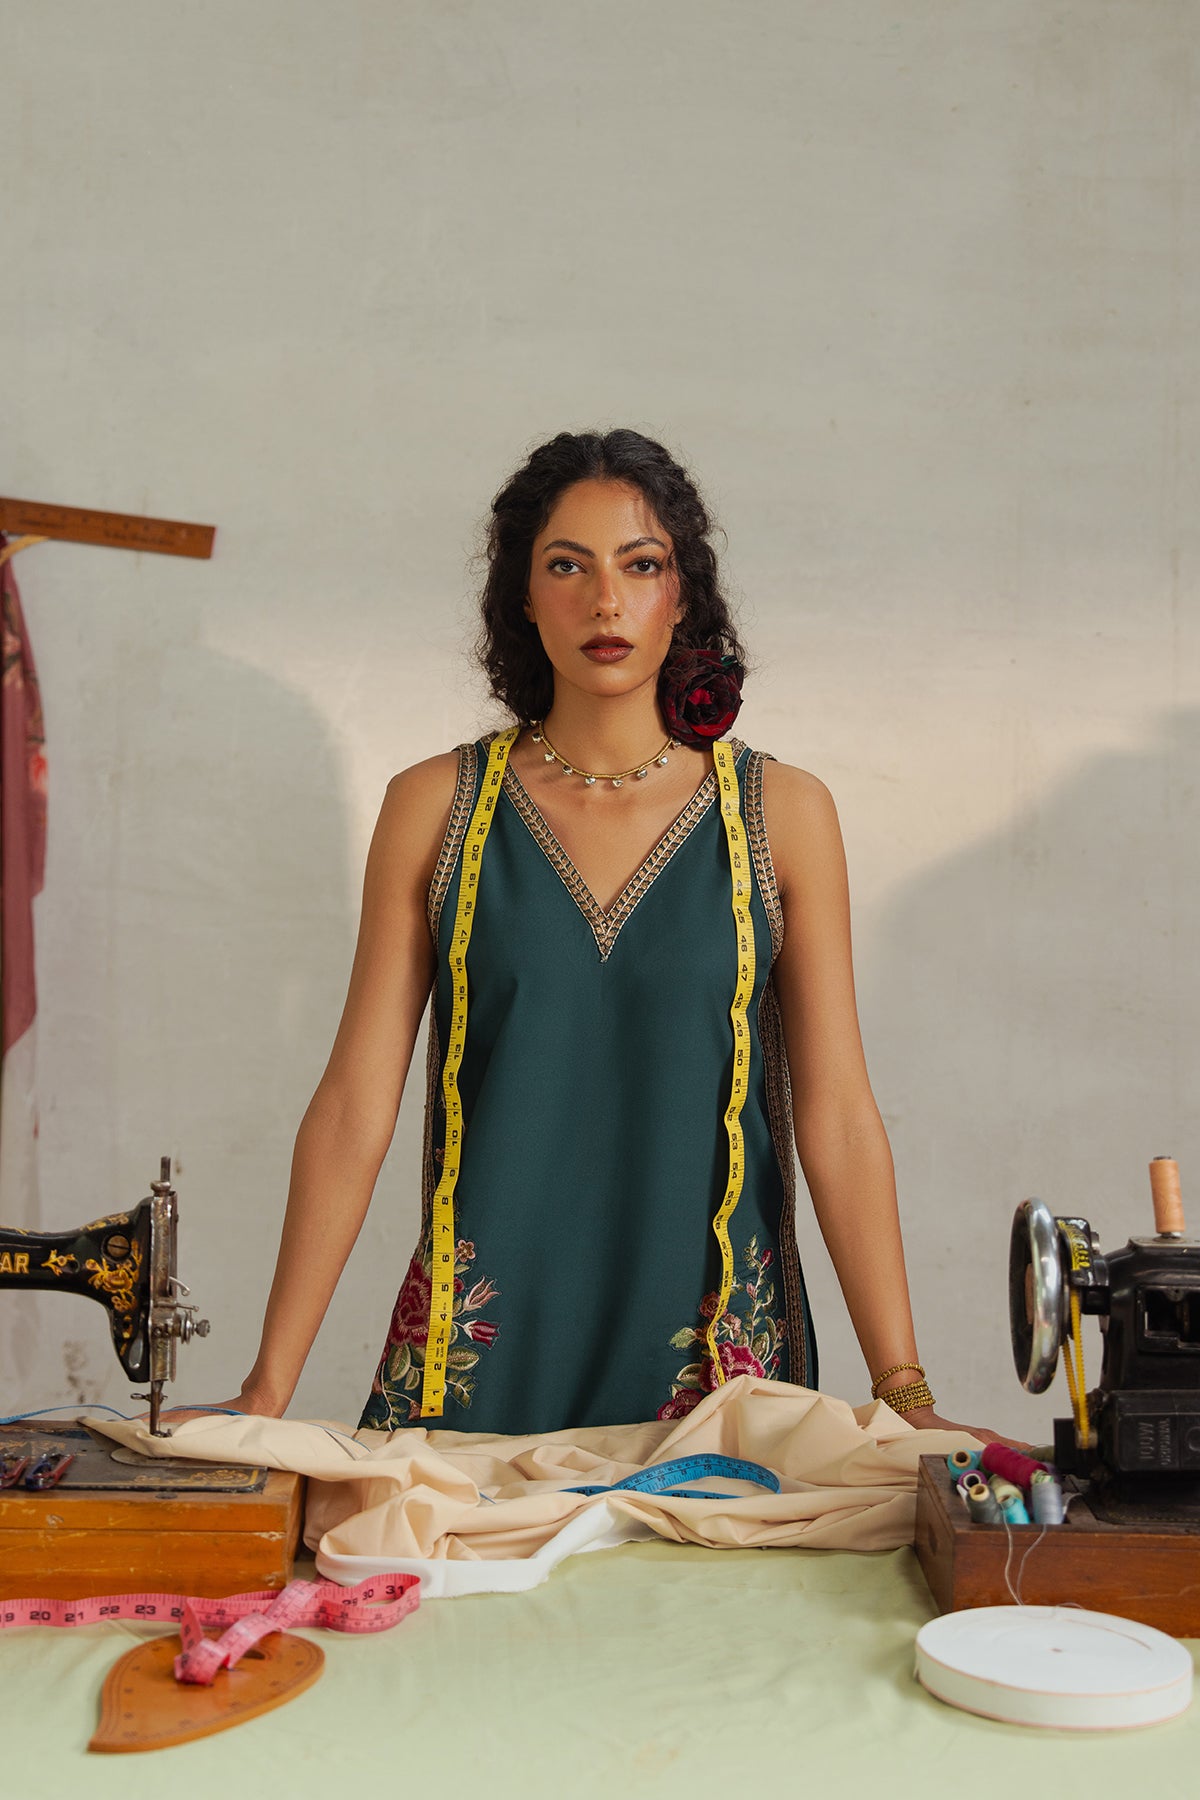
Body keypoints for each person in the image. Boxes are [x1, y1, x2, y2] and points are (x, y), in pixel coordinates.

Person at [225, 428, 1006, 1443]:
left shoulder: (780, 814)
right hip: (481, 1371)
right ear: (521, 595)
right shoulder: (437, 807)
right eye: (568, 566)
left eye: (640, 566)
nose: (606, 601)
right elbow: (351, 1106)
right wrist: (266, 1390)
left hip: (722, 1390)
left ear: (682, 596)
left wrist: (905, 1393)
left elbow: (841, 1113)